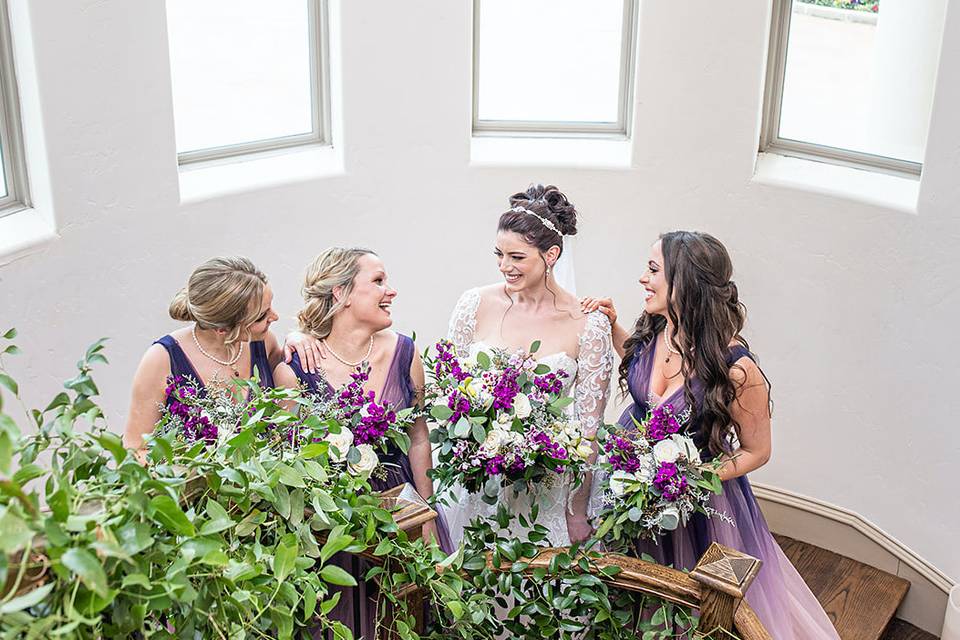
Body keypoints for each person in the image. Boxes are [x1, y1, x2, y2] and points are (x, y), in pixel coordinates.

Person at [581, 231, 840, 639]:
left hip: (701, 504)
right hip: (630, 483)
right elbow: (641, 371)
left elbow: (758, 451)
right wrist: (613, 325)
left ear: (684, 282)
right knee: (630, 588)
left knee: (698, 604)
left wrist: (687, 480)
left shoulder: (737, 369)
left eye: (653, 270)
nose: (642, 280)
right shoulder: (655, 328)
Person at [444, 184, 614, 547]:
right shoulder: (473, 304)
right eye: (499, 254)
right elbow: (451, 393)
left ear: (551, 254)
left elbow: (588, 431)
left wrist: (577, 511)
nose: (505, 266)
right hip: (478, 483)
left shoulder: (588, 324)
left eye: (517, 257)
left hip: (546, 487)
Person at [124, 256, 279, 455]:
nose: (275, 317)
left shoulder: (263, 343)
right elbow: (134, 450)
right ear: (223, 329)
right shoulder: (162, 359)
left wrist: (299, 337)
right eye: (261, 316)